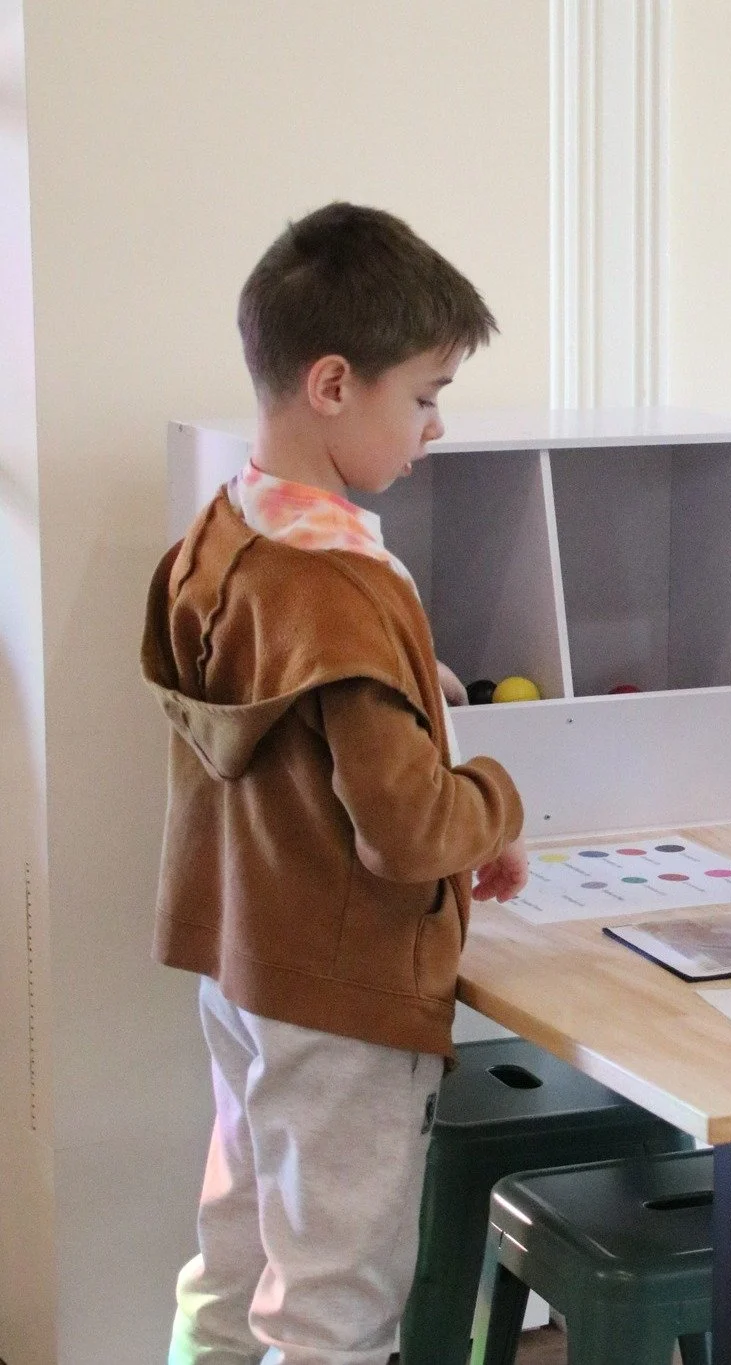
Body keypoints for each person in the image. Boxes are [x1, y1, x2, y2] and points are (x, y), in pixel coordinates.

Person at [141, 202, 529, 1364]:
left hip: (247, 965)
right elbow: (405, 831)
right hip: (343, 998)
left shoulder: (225, 537)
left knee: (237, 1256)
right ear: (330, 384)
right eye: (422, 395)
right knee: (335, 1310)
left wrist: (412, 692)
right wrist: (496, 799)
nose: (437, 426)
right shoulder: (352, 589)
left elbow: (287, 707)